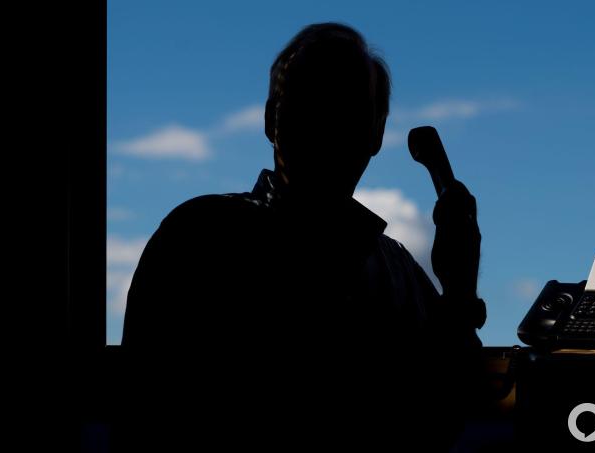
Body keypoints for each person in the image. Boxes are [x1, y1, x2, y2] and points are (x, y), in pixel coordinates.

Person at [119, 22, 486, 452]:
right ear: (272, 120)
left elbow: (446, 414)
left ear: (376, 134)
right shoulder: (198, 238)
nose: (329, 121)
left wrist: (459, 291)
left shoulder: (398, 269)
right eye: (312, 98)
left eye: (349, 105)